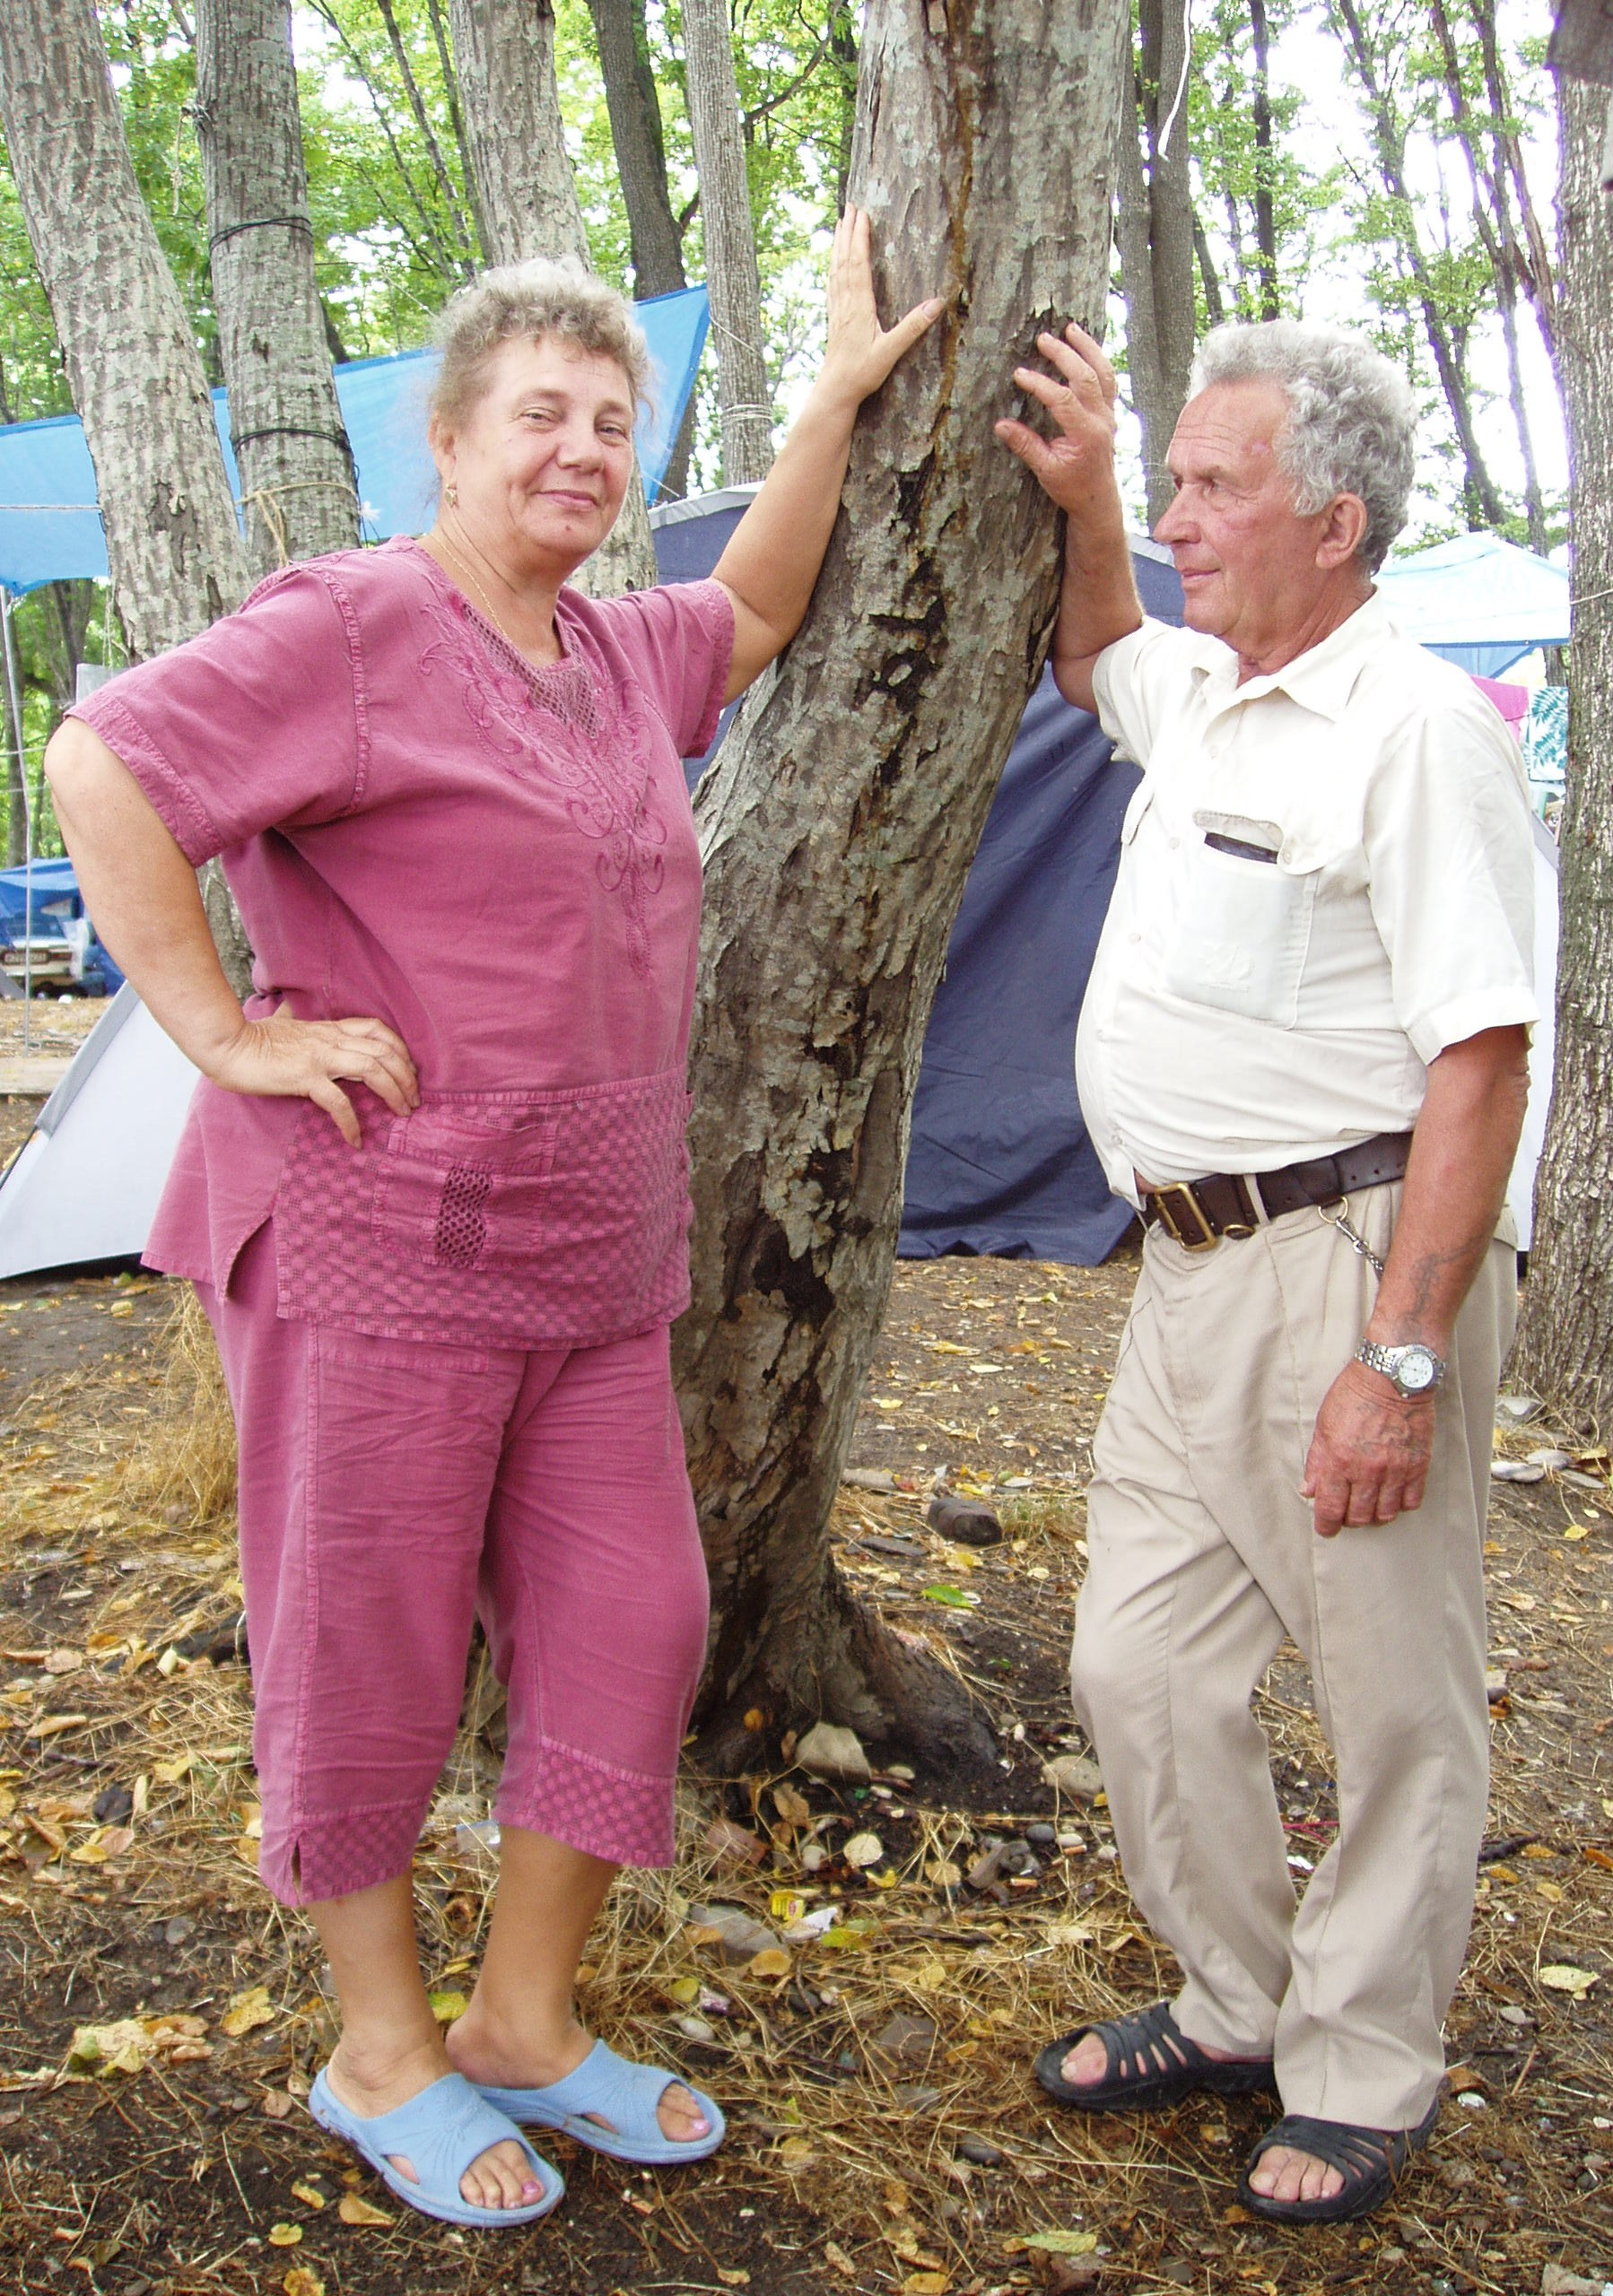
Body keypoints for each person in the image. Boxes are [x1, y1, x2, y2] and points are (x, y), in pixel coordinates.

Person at [45, 214, 940, 2231]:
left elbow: (758, 602)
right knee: (365, 1639)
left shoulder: (612, 653)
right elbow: (103, 759)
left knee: (638, 1618)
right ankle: (381, 2048)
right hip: (377, 1246)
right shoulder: (356, 623)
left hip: (592, 1262)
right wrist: (221, 1031)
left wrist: (830, 396)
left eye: (612, 422)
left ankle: (525, 2019)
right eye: (540, 414)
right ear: (444, 443)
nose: (583, 450)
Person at [996, 317, 1536, 2225]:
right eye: (1175, 481)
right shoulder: (1220, 689)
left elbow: (1483, 1056)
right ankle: (1237, 1999)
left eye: (1217, 487)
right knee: (1134, 1666)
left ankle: (1366, 2061)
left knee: (1391, 1703)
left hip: (1350, 1268)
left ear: (1339, 520)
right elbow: (1094, 654)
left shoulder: (1418, 733)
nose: (1179, 518)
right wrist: (1085, 494)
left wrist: (1401, 1354)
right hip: (1185, 1275)